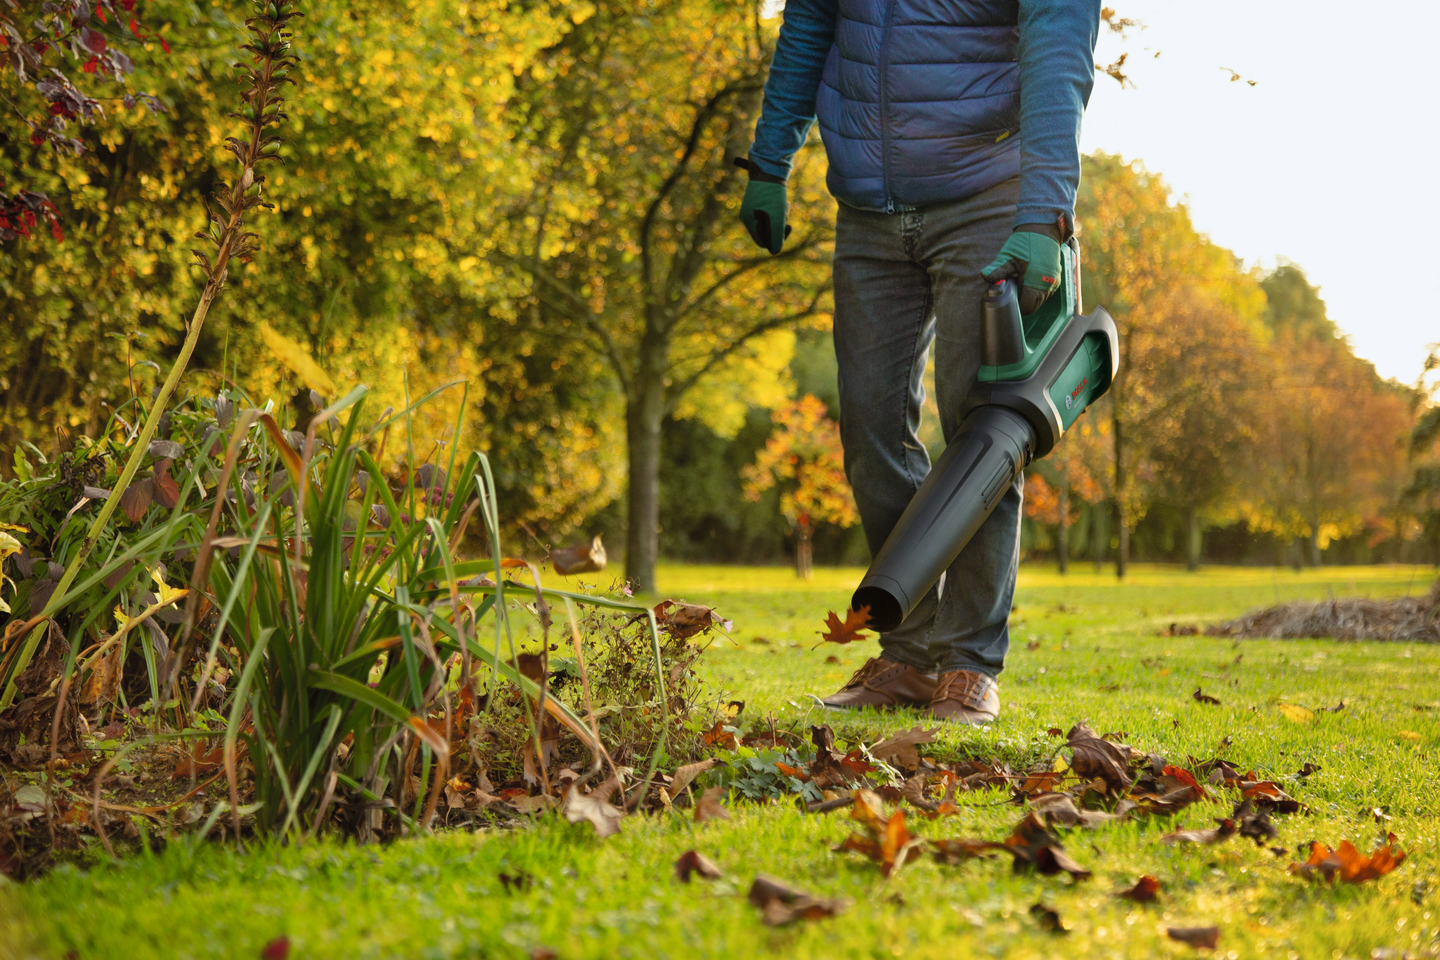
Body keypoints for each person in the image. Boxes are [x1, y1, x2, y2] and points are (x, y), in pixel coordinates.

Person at [737, 0, 1100, 723]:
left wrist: (1043, 213)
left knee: (984, 437)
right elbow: (810, 23)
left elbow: (1058, 51)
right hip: (867, 210)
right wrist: (770, 158)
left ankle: (968, 664)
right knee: (870, 433)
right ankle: (910, 653)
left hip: (986, 198)